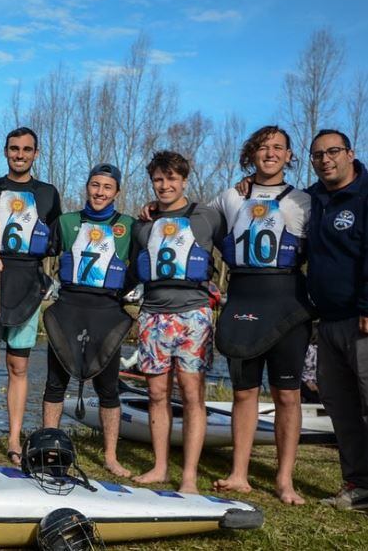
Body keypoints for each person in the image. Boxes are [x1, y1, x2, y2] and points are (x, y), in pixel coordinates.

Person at [211, 126, 313, 505]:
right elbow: (193, 226)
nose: (269, 153)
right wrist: (152, 210)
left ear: (289, 156)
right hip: (242, 299)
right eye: (262, 147)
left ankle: (284, 480)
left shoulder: (305, 201)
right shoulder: (229, 197)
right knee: (243, 392)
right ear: (251, 154)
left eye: (277, 148)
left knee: (288, 395)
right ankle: (238, 473)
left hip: (287, 302)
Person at [0, 127, 61, 465]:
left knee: (18, 365)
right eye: (14, 148)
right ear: (5, 151)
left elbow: (56, 241)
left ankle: (15, 439)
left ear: (36, 153)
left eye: (27, 149)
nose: (20, 154)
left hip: (27, 284)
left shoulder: (48, 194)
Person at [130, 150, 224, 493]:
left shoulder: (208, 217)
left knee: (191, 394)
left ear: (184, 180)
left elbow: (234, 252)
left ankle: (189, 476)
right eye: (158, 179)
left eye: (172, 179)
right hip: (153, 314)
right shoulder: (143, 223)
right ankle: (159, 467)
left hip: (193, 315)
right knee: (156, 392)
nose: (165, 185)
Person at [41, 164, 135, 477]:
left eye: (107, 187)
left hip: (107, 312)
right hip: (68, 307)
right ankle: (48, 445)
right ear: (87, 187)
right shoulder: (66, 222)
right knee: (55, 383)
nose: (100, 192)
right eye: (95, 185)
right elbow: (36, 254)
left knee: (108, 388)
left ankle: (110, 456)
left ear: (117, 192)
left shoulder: (130, 226)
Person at [304, 129, 368, 511]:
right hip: (326, 321)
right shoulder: (313, 198)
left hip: (361, 318)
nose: (325, 159)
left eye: (332, 152)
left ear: (349, 152)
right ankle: (359, 485)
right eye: (317, 155)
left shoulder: (364, 195)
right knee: (340, 406)